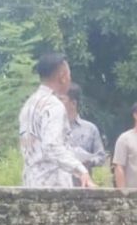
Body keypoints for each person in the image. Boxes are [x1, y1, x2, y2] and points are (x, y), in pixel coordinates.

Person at [18, 53, 95, 189]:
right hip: (51, 186)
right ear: (62, 76)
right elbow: (51, 146)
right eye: (69, 74)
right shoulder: (53, 106)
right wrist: (80, 169)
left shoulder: (29, 105)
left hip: (30, 182)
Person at [60, 84, 107, 179]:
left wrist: (90, 161)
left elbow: (101, 157)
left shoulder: (90, 129)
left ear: (73, 103)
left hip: (81, 185)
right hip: (56, 185)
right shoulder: (51, 128)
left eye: (61, 99)